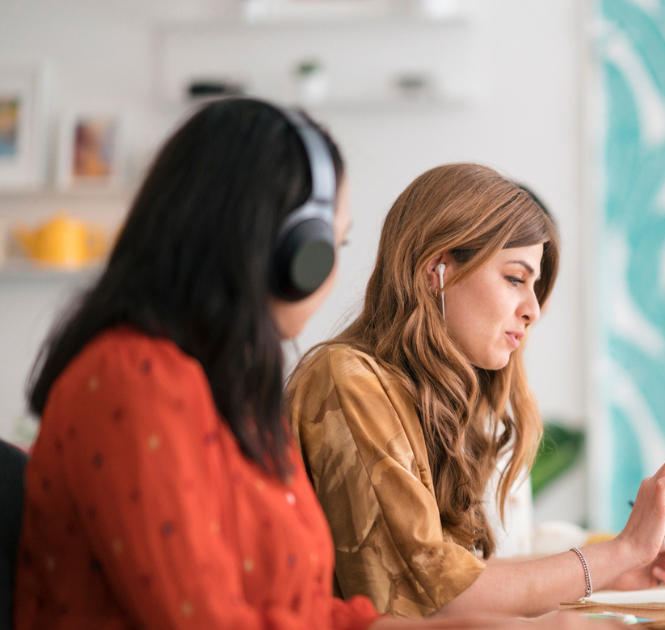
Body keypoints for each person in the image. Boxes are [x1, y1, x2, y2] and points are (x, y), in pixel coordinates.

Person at [13, 99, 614, 630]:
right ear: (285, 249)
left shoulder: (224, 396)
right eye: (329, 242)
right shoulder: (131, 379)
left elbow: (301, 609)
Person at [286, 163, 665, 619]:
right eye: (516, 278)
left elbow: (460, 572)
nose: (532, 309)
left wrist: (620, 569)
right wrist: (622, 551)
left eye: (535, 287)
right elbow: (434, 595)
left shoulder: (434, 399)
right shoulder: (347, 378)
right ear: (437, 268)